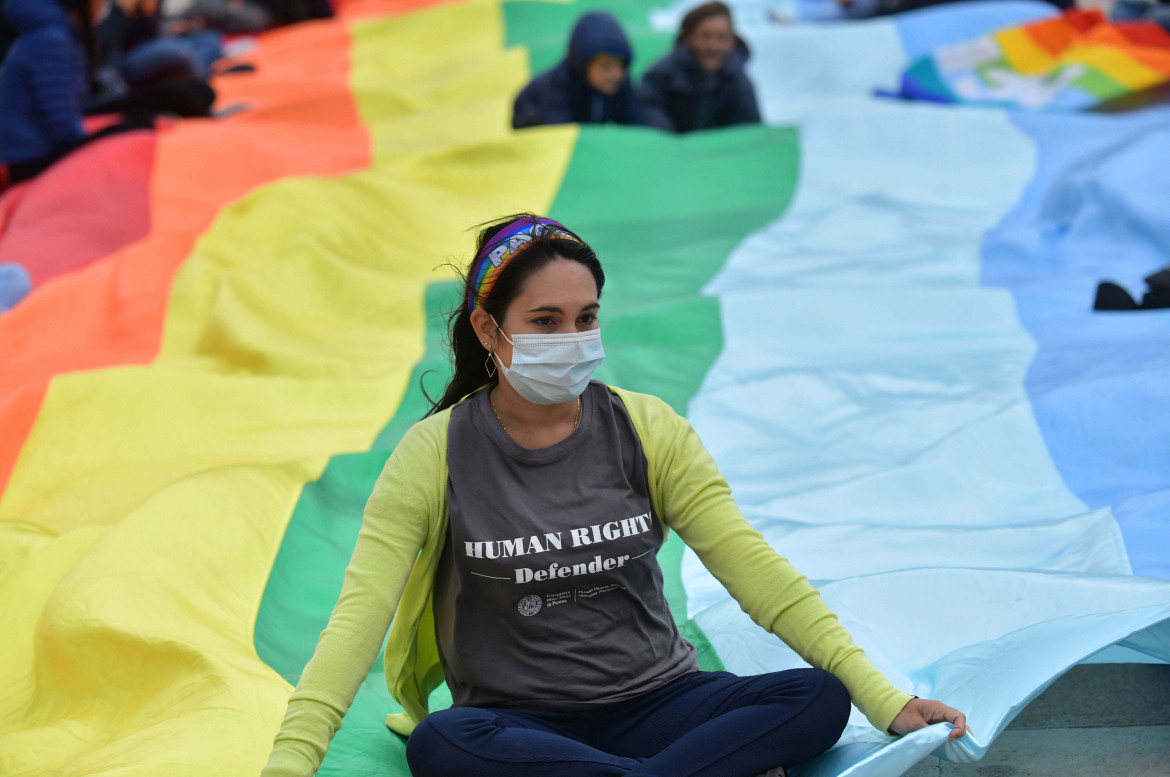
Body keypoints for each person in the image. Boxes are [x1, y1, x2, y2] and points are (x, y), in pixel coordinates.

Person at [261, 214, 968, 777]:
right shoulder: (434, 453)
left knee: (815, 697)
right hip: (522, 725)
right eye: (545, 321)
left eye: (585, 316)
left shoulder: (648, 427)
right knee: (444, 741)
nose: (571, 339)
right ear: (488, 328)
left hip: (664, 703)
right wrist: (289, 763)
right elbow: (357, 619)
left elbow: (757, 573)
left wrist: (886, 698)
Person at [0, 0, 151, 184]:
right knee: (138, 126)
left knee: (135, 124)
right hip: (26, 161)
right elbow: (64, 129)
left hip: (33, 152)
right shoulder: (51, 41)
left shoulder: (54, 33)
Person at [640, 2, 760, 133]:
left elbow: (750, 128)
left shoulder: (738, 80)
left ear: (732, 40)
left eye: (722, 37)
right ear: (688, 38)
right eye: (705, 36)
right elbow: (647, 110)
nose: (713, 46)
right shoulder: (662, 73)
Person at [513, 11, 643, 129]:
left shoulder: (621, 85)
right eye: (605, 66)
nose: (615, 74)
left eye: (621, 65)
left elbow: (639, 128)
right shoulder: (557, 87)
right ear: (583, 64)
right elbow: (562, 140)